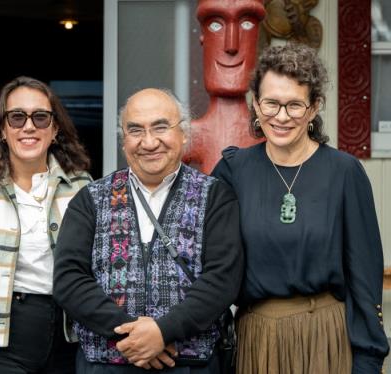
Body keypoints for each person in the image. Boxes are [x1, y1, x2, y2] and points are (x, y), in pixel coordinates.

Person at [212, 43, 390, 373]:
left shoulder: (344, 173)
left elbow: (364, 278)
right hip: (258, 341)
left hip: (325, 339)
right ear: (255, 103)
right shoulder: (232, 172)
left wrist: (368, 359)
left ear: (313, 108)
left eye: (294, 105)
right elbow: (214, 269)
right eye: (271, 104)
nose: (281, 116)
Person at [53, 88, 244, 373]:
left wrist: (163, 331)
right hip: (106, 364)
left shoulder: (214, 196)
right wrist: (133, 337)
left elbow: (222, 279)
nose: (149, 142)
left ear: (183, 133)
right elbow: (69, 280)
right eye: (135, 130)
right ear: (123, 140)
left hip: (190, 364)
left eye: (160, 127)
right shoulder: (91, 199)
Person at [0, 76, 92, 374]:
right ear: (2, 129)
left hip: (67, 336)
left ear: (54, 129)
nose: (29, 127)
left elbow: (93, 264)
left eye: (40, 117)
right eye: (17, 117)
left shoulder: (81, 188)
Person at [184, 0, 266, 173]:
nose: (231, 45)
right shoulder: (189, 136)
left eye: (246, 24)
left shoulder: (272, 133)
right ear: (202, 37)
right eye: (216, 25)